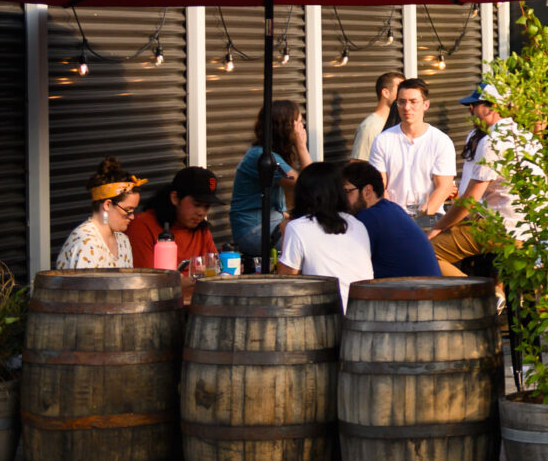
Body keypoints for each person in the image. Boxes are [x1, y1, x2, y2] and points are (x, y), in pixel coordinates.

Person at [431, 84, 528, 277]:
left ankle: (480, 295)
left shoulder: (492, 140)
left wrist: (438, 227)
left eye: (474, 105)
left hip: (502, 228)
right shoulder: (526, 136)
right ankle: (496, 293)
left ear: (491, 108)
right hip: (529, 228)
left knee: (426, 252)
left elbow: (470, 200)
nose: (470, 110)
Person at [276, 162, 373, 310]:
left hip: (326, 317)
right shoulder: (358, 225)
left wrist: (284, 236)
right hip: (363, 313)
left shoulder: (297, 228)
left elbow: (285, 283)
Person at [232, 99, 310, 263]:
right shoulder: (263, 156)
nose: (302, 129)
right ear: (287, 127)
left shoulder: (272, 155)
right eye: (299, 124)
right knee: (309, 243)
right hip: (253, 231)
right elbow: (312, 184)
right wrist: (301, 146)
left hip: (270, 223)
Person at [366, 77, 458, 216]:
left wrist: (421, 218)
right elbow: (379, 186)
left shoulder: (441, 141)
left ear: (426, 105)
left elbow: (443, 187)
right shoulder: (383, 140)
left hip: (430, 217)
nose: (407, 107)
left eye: (413, 102)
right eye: (402, 102)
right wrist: (395, 216)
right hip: (393, 216)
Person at [341, 161, 442, 278]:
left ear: (367, 191)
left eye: (346, 192)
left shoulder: (369, 217)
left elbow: (349, 265)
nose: (341, 199)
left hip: (407, 293)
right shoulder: (392, 209)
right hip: (427, 291)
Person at [127, 166, 219, 272]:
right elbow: (146, 280)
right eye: (196, 204)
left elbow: (215, 272)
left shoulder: (202, 231)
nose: (201, 213)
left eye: (207, 207)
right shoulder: (142, 226)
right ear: (175, 198)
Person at [55, 159, 142, 270]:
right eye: (127, 210)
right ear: (107, 205)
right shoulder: (86, 242)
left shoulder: (123, 241)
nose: (132, 216)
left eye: (133, 210)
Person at [352, 72, 404, 162]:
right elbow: (358, 167)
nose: (403, 95)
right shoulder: (370, 128)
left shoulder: (401, 124)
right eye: (400, 90)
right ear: (385, 93)